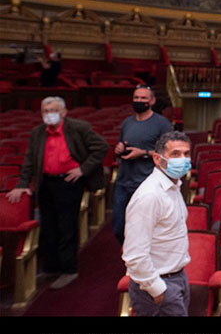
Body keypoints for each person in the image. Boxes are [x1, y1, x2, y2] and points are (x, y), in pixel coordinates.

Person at [7, 96, 108, 289]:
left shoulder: (79, 128)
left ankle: (69, 270)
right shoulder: (38, 132)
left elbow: (101, 147)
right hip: (45, 183)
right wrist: (22, 183)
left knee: (66, 227)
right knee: (48, 227)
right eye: (44, 111)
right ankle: (51, 267)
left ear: (63, 112)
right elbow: (29, 159)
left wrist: (82, 169)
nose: (48, 115)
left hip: (69, 183)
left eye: (52, 111)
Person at [122, 131, 191, 317]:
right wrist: (158, 290)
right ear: (157, 159)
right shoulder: (150, 195)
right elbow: (134, 255)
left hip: (177, 278)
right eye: (175, 154)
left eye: (186, 154)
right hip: (158, 284)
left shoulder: (174, 187)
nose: (182, 159)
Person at [112, 84, 173, 243]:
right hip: (124, 181)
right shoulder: (127, 122)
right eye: (136, 98)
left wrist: (144, 153)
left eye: (143, 98)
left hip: (147, 183)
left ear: (152, 101)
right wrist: (119, 149)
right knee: (119, 227)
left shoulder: (162, 124)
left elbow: (171, 155)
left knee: (144, 229)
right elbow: (121, 144)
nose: (139, 101)